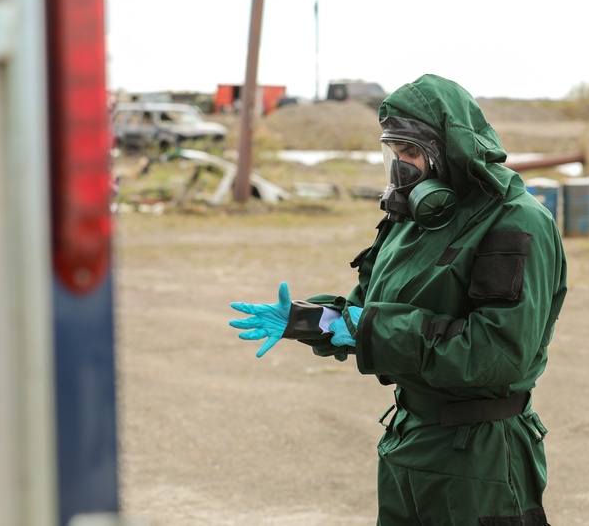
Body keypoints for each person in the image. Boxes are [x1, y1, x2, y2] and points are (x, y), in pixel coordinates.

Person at [229, 73, 567, 525]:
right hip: (408, 440)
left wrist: (367, 328)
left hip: (477, 455)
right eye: (395, 151)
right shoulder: (411, 221)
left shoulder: (514, 223)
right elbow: (364, 310)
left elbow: (496, 352)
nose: (402, 166)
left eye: (413, 152)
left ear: (452, 150)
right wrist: (310, 321)